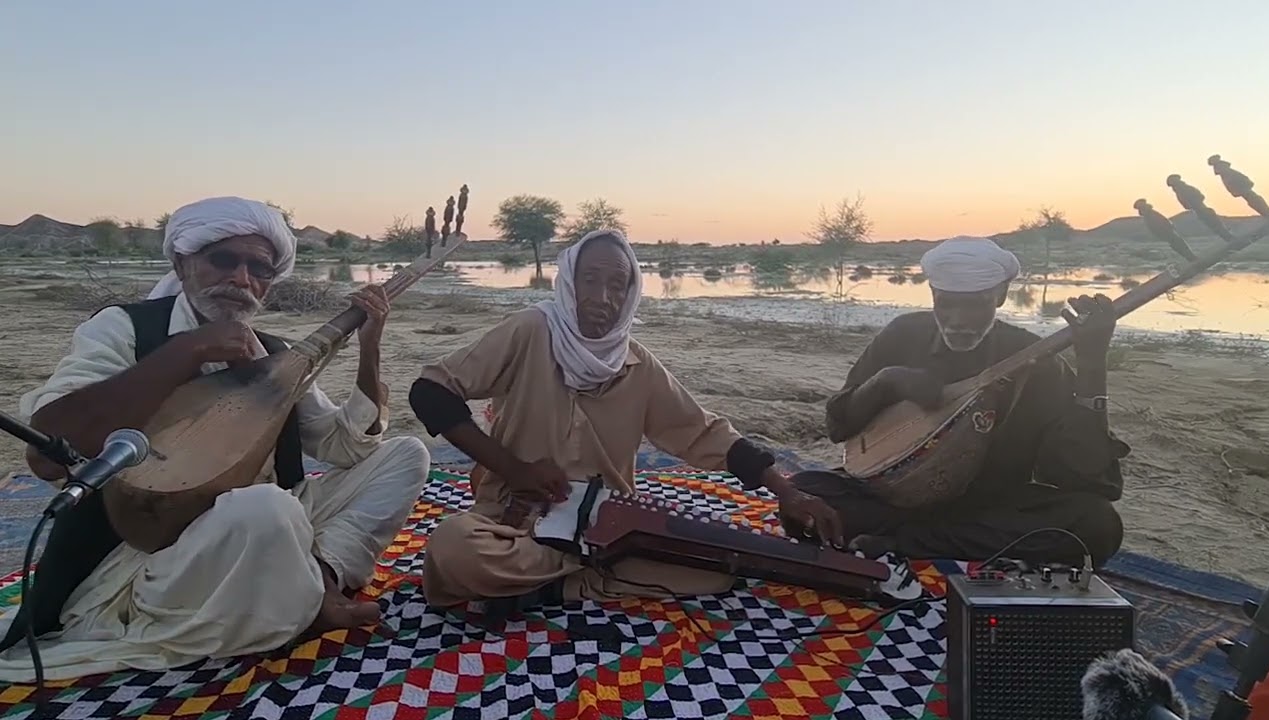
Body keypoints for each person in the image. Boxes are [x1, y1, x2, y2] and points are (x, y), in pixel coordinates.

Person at [0, 196, 430, 682]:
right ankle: (297, 602)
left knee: (404, 456)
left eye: (260, 270)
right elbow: (49, 456)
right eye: (224, 260)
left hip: (271, 528)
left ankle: (321, 582)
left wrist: (370, 350)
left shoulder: (274, 352)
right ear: (183, 263)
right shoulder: (124, 328)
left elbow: (347, 447)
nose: (242, 279)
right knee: (265, 508)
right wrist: (189, 351)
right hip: (160, 557)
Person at [407, 229, 843, 614]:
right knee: (455, 547)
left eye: (618, 285)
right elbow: (430, 392)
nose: (602, 299)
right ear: (569, 282)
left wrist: (787, 491)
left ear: (631, 294)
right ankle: (580, 581)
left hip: (607, 529)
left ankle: (556, 585)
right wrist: (515, 470)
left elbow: (706, 433)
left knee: (715, 574)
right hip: (512, 517)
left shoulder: (639, 366)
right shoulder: (530, 330)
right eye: (590, 280)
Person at [792, 236, 1129, 566]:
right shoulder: (904, 334)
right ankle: (934, 541)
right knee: (804, 494)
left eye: (975, 304)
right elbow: (838, 427)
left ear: (1000, 296)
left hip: (990, 505)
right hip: (894, 497)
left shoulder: (1035, 358)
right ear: (933, 296)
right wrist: (886, 382)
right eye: (947, 303)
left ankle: (905, 543)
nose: (959, 321)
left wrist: (1091, 364)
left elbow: (1086, 480)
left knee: (1097, 525)